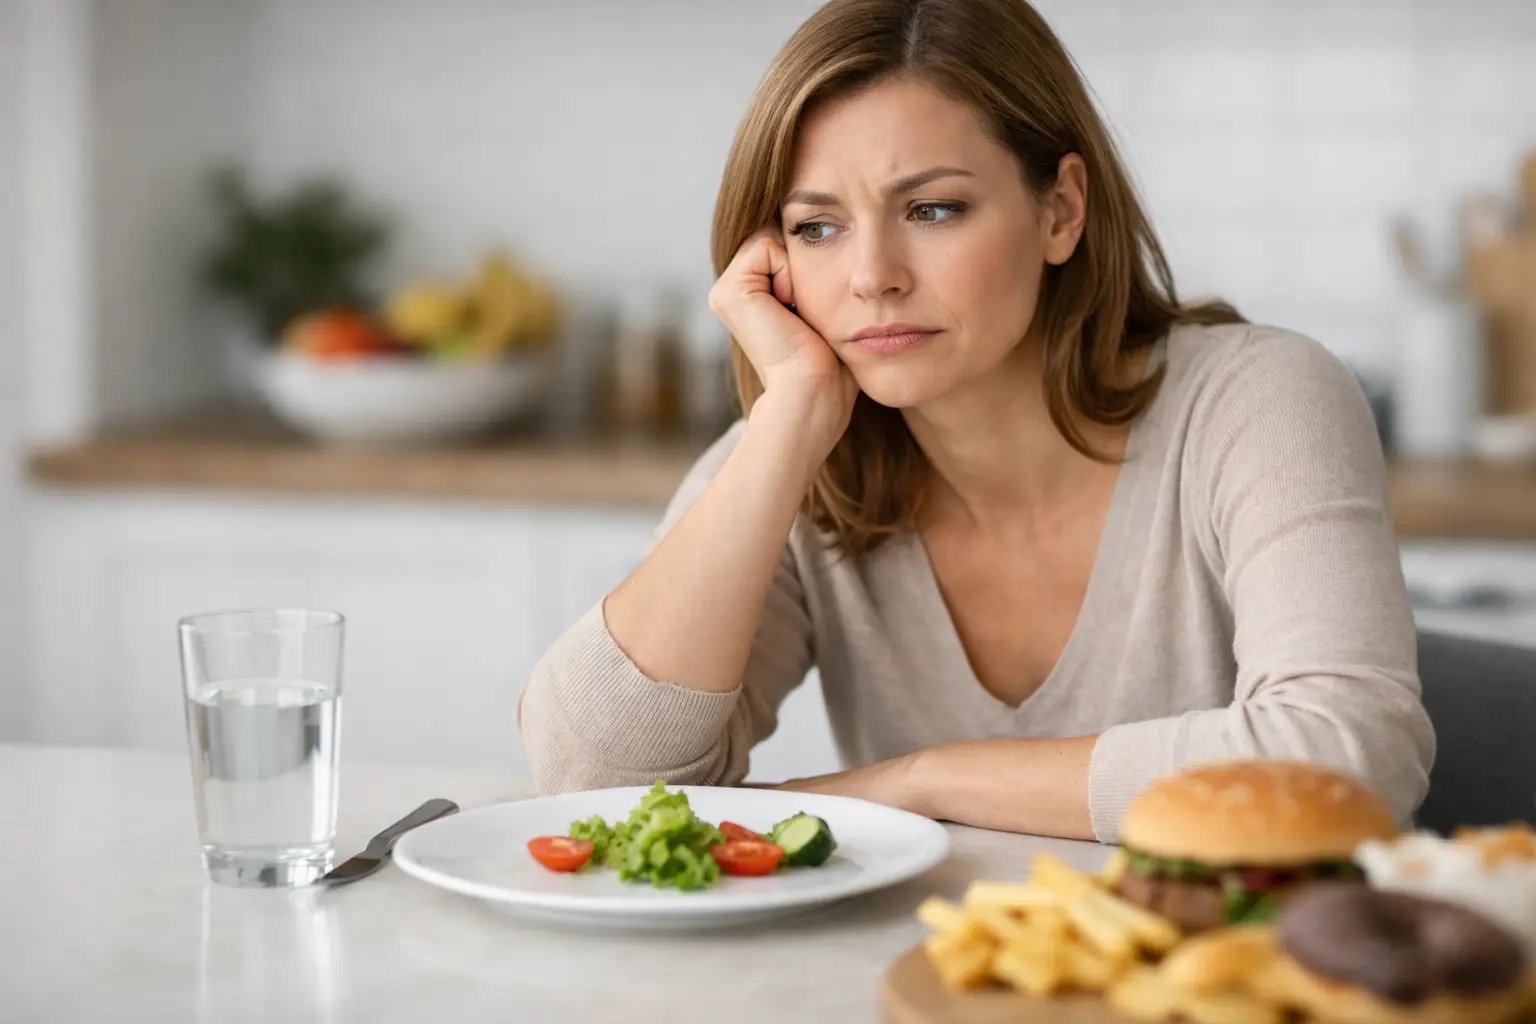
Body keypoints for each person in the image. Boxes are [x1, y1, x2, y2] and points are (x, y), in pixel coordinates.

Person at [517, 0, 1434, 842]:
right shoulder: (799, 456)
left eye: (933, 208)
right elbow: (593, 783)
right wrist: (785, 420)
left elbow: (1350, 758)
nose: (873, 274)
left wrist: (920, 786)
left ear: (1060, 212)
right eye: (818, 228)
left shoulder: (1255, 400)